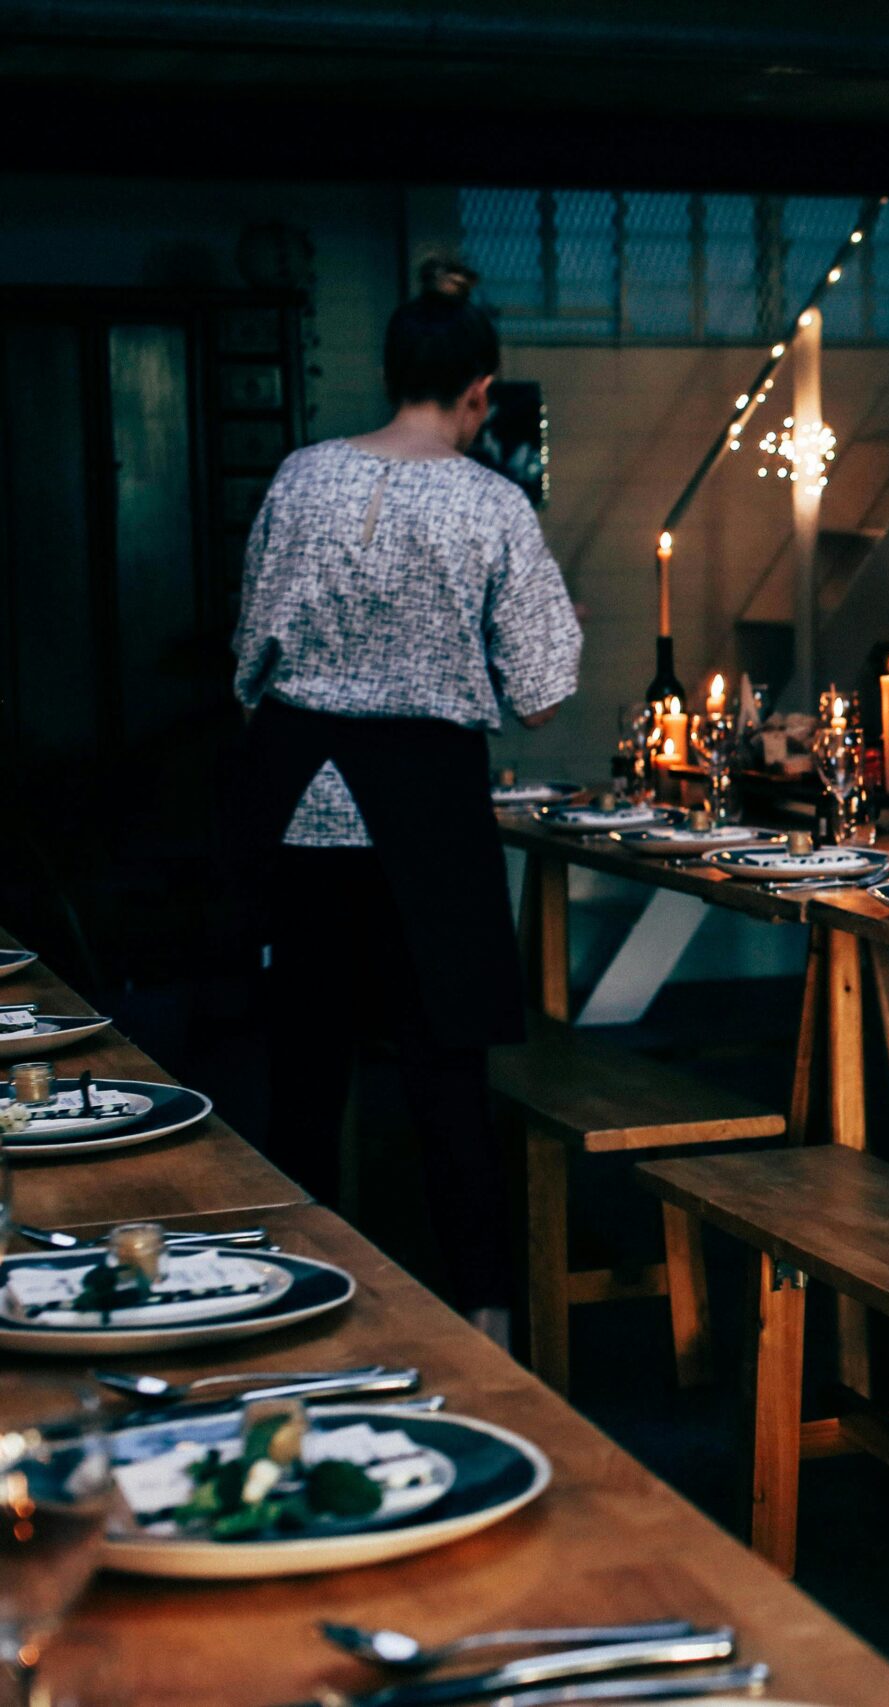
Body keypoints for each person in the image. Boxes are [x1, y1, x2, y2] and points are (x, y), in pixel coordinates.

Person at [232, 285, 580, 1336]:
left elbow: (250, 655)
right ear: (479, 394)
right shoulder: (492, 504)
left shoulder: (301, 476)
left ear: (391, 377)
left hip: (297, 803)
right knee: (446, 1084)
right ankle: (484, 1320)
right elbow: (544, 686)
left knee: (301, 1076)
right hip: (428, 812)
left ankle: (277, 1311)